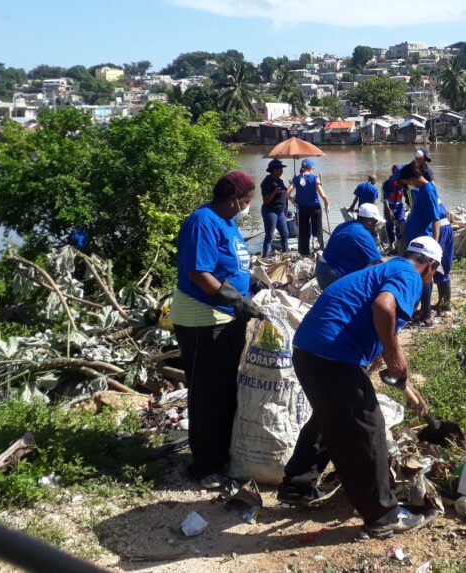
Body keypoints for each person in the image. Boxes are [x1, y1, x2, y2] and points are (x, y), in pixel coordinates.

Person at [278, 237, 443, 538]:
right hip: (333, 354)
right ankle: (383, 515)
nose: (431, 280)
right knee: (367, 426)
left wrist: (405, 384)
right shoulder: (409, 275)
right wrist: (395, 354)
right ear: (430, 265)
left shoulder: (384, 268)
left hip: (308, 351)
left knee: (331, 414)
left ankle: (297, 486)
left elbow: (377, 332)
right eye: (434, 273)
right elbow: (384, 307)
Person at [171, 171, 262, 488]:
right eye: (247, 200)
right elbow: (199, 273)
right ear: (234, 199)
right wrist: (235, 299)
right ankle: (204, 465)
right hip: (202, 319)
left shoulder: (228, 222)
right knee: (207, 392)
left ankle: (222, 454)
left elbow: (230, 264)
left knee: (225, 388)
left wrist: (252, 283)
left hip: (226, 317)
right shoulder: (203, 221)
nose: (248, 206)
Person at [399, 164, 447, 324]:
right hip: (417, 240)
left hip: (424, 242)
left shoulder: (428, 190)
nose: (408, 185)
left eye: (407, 182)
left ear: (412, 178)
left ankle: (426, 315)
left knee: (425, 277)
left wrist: (434, 243)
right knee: (420, 277)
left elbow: (436, 219)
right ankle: (419, 311)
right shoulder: (422, 190)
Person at [315, 203, 385, 290]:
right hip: (332, 276)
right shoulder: (362, 234)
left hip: (322, 271)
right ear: (369, 221)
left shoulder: (344, 225)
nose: (375, 225)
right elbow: (379, 262)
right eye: (375, 222)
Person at [288, 158, 330, 256]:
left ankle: (304, 253)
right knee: (317, 231)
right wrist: (327, 204)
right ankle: (318, 251)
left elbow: (287, 193)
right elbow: (323, 195)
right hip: (315, 208)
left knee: (303, 231)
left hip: (303, 208)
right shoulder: (315, 178)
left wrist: (292, 200)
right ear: (311, 168)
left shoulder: (296, 178)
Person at [260, 159, 290, 257]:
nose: (282, 171)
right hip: (270, 212)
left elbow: (284, 193)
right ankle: (265, 257)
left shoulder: (280, 181)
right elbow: (266, 201)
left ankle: (286, 254)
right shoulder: (267, 182)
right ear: (274, 170)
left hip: (280, 212)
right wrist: (274, 192)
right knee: (270, 235)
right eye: (280, 169)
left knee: (285, 233)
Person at [382, 164, 407, 251]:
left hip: (399, 206)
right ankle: (391, 244)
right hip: (389, 206)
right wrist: (388, 210)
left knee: (401, 223)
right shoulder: (386, 183)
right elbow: (384, 198)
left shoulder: (404, 182)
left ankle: (399, 244)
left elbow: (407, 194)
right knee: (389, 225)